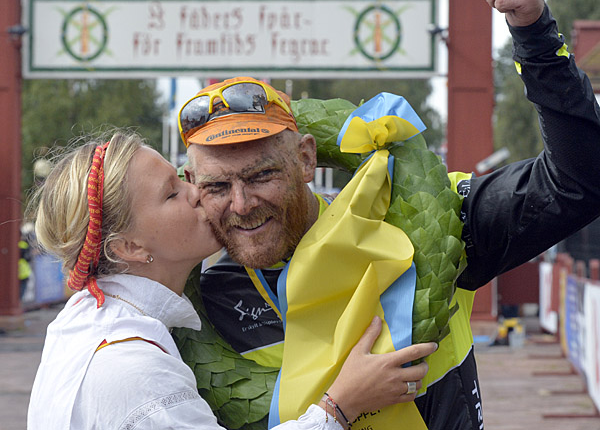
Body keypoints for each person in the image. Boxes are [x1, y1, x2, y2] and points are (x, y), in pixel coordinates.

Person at [177, 0, 600, 429]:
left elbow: (578, 183)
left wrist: (535, 36)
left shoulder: (426, 215)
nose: (242, 204)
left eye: (262, 175)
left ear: (305, 159)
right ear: (191, 184)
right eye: (218, 187)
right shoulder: (188, 306)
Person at [26, 132, 437, 430]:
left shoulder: (84, 321)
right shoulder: (132, 368)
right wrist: (340, 406)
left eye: (183, 179)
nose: (197, 193)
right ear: (129, 247)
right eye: (172, 194)